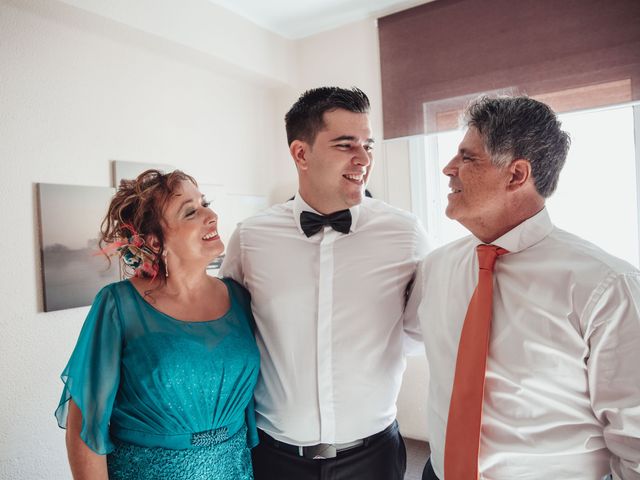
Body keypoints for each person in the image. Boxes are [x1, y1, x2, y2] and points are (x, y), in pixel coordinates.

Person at [413, 96, 640, 479]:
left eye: (467, 158)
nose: (448, 168)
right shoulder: (437, 267)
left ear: (516, 175)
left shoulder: (607, 288)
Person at [220, 86, 429, 480]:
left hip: (374, 456)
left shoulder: (405, 232)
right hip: (275, 458)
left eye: (368, 144)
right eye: (346, 144)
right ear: (301, 153)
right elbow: (230, 334)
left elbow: (419, 330)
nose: (364, 159)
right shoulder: (249, 238)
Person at [55, 169, 260, 480]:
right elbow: (84, 422)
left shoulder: (240, 298)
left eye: (205, 202)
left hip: (234, 470)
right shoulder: (118, 306)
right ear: (155, 240)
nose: (212, 215)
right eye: (191, 211)